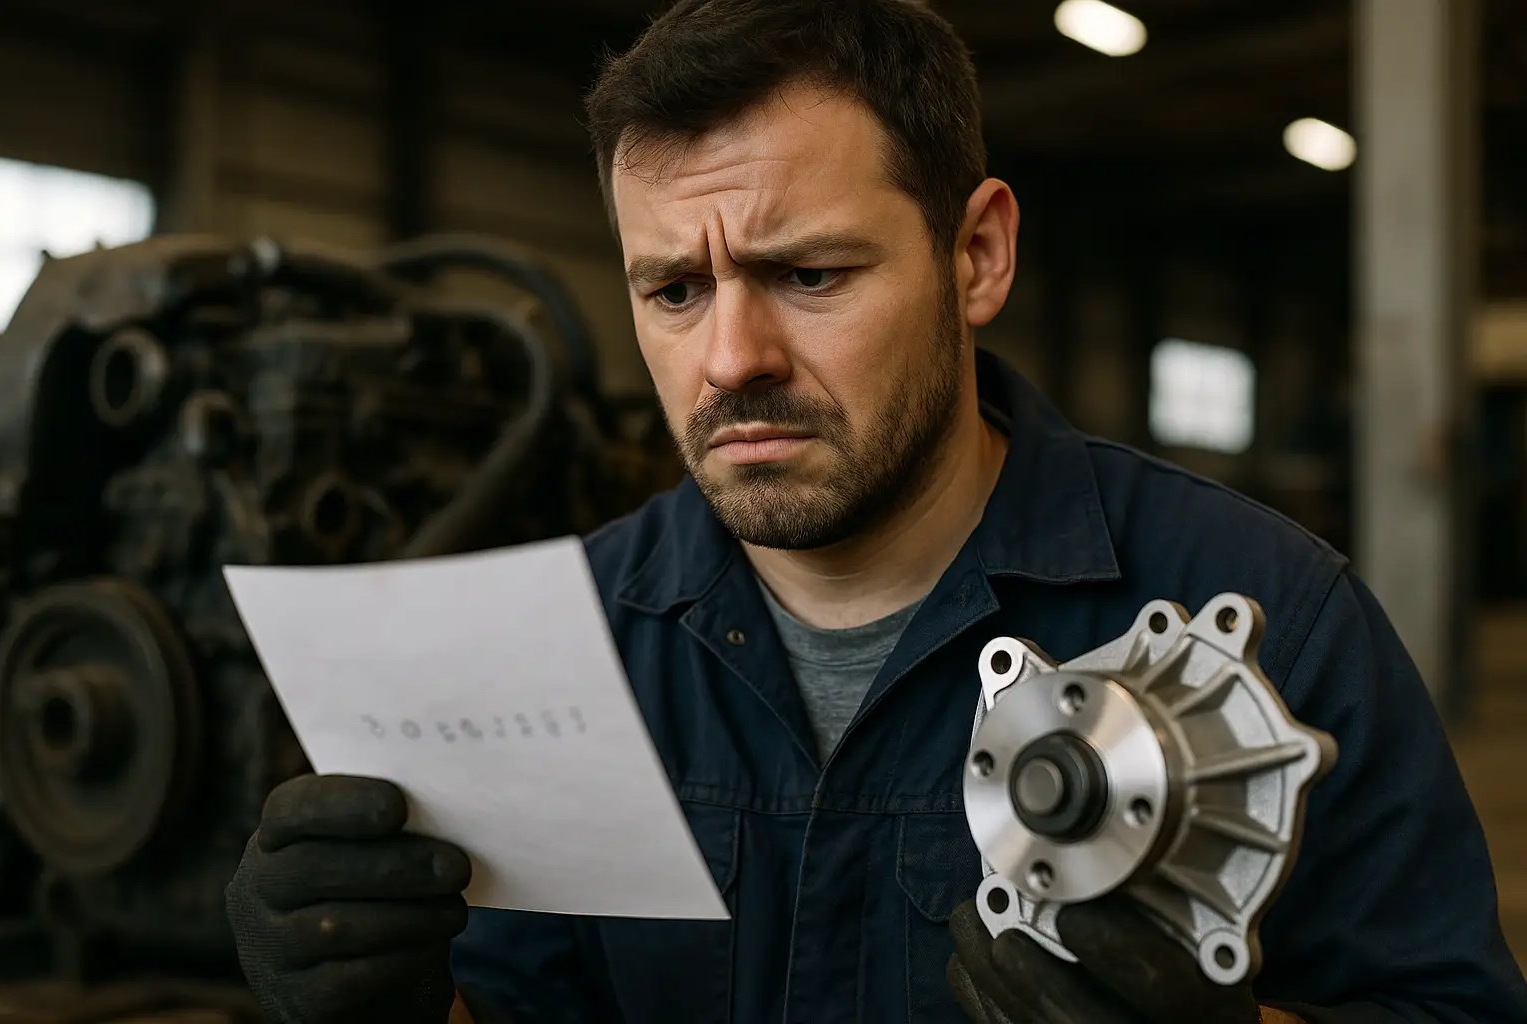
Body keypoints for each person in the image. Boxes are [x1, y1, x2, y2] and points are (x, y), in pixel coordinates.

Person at [222, 1, 1527, 1021]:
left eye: (809, 274)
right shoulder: (565, 648)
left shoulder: (1270, 627)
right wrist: (378, 999)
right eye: (674, 290)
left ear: (977, 255)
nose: (731, 358)